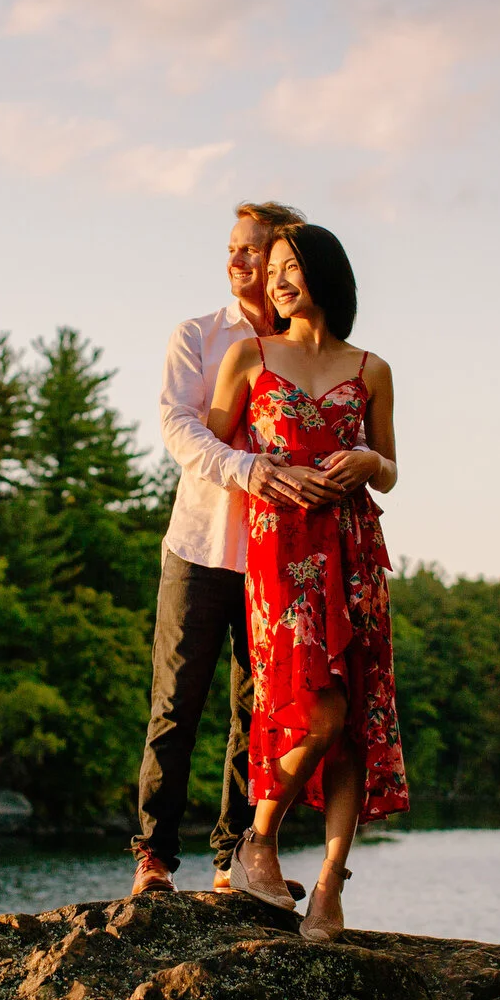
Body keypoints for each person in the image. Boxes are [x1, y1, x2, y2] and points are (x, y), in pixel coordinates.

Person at [128, 202, 375, 897]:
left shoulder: (309, 346)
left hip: (284, 560)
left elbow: (350, 438)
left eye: (259, 252)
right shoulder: (203, 337)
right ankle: (154, 857)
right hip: (204, 543)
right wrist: (254, 469)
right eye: (234, 250)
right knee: (177, 702)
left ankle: (237, 859)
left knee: (260, 713)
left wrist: (355, 462)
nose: (244, 263)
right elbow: (181, 430)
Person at [200, 222, 406, 941]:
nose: (279, 280)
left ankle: (328, 885)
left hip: (353, 548)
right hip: (282, 546)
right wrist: (264, 473)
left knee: (350, 721)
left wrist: (365, 465)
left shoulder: (371, 368)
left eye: (293, 267)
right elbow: (209, 444)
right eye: (273, 269)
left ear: (327, 275)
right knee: (312, 709)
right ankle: (258, 840)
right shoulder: (249, 357)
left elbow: (392, 466)